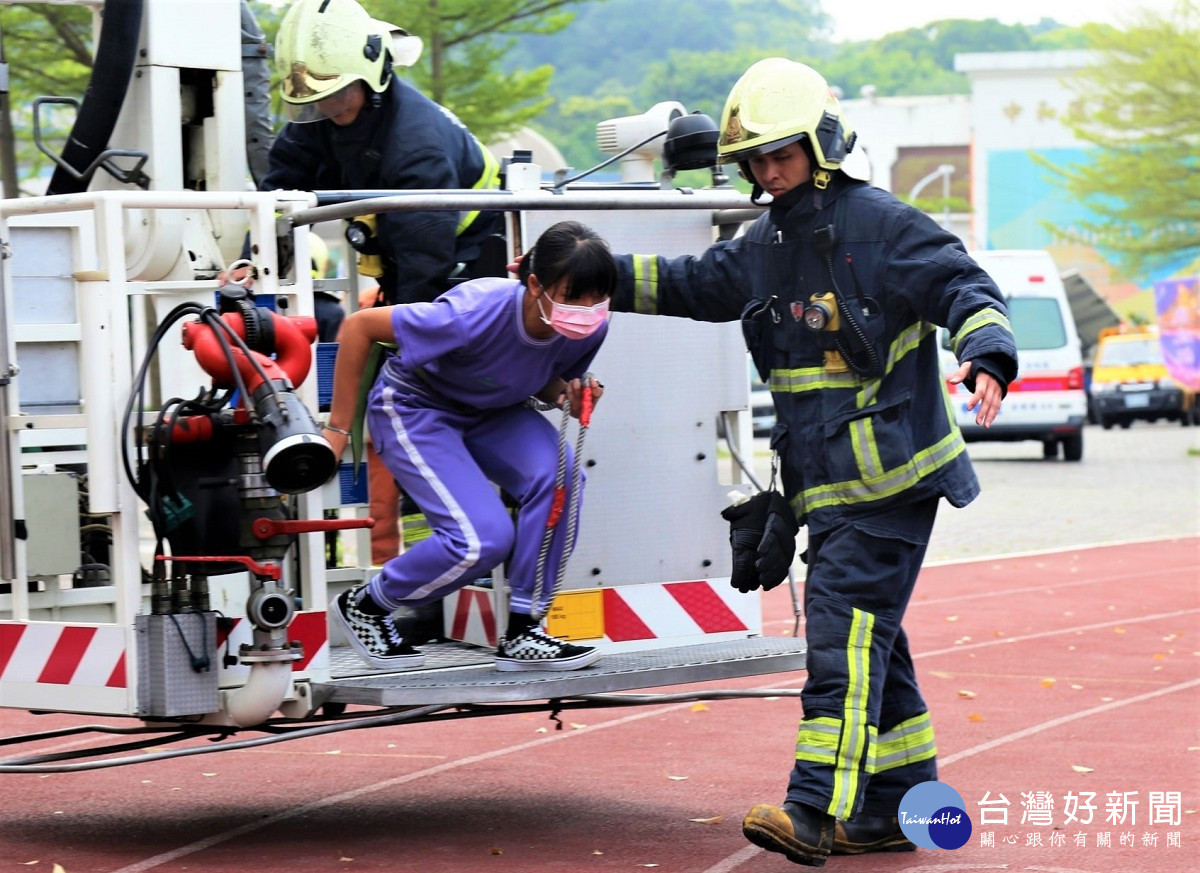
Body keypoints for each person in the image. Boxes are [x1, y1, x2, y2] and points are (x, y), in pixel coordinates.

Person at [610, 58, 1018, 866]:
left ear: (821, 145)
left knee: (841, 638)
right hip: (829, 491)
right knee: (875, 641)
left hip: (894, 484)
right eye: (756, 159)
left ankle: (814, 807)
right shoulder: (765, 244)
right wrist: (599, 277)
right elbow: (692, 284)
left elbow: (965, 288)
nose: (768, 172)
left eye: (781, 154)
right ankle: (899, 803)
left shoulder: (884, 226)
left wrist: (989, 354)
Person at [266, 0, 505, 561]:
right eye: (313, 99)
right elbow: (278, 184)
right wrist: (260, 250)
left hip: (464, 271)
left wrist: (406, 346)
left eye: (335, 94)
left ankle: (462, 557)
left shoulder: (415, 145)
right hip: (415, 268)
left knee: (434, 405)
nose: (325, 106)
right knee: (417, 417)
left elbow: (425, 260)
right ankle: (437, 568)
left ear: (372, 77)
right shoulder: (328, 114)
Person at [321, 220, 615, 672]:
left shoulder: (590, 326)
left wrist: (567, 397)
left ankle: (525, 628)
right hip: (417, 405)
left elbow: (544, 377)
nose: (588, 309)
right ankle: (369, 604)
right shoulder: (472, 314)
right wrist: (338, 428)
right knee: (481, 541)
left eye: (598, 298)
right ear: (534, 285)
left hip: (494, 408)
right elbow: (360, 327)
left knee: (564, 480)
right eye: (574, 297)